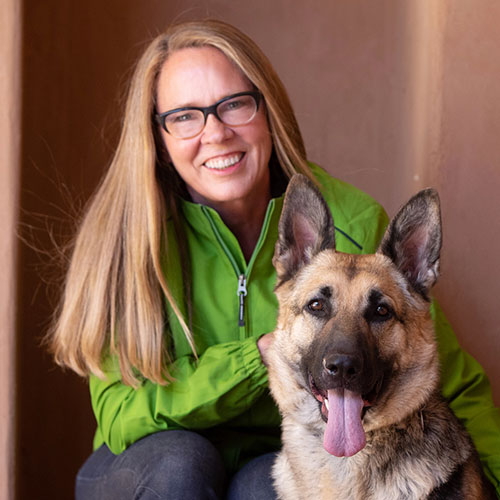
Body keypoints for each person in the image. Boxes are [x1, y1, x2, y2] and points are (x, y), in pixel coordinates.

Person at [48, 19, 500, 499]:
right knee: (181, 466)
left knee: (265, 487)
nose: (216, 133)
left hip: (279, 455)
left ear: (268, 110)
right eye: (184, 116)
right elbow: (118, 414)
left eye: (234, 104)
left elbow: (445, 375)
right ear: (158, 135)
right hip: (149, 465)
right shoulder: (130, 241)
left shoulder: (355, 221)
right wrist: (252, 361)